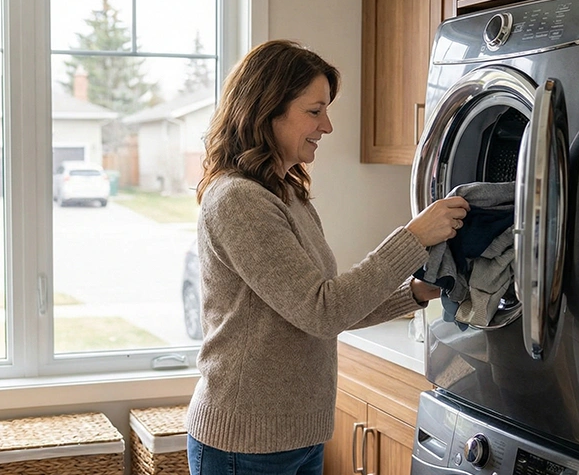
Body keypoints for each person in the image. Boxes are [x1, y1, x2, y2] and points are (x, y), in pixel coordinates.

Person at [185, 39, 469, 475]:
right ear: (267, 111)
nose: (328, 126)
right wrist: (411, 238)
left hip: (296, 437)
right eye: (314, 111)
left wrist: (412, 293)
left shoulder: (286, 194)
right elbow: (322, 310)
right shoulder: (238, 200)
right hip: (244, 446)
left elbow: (323, 309)